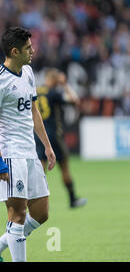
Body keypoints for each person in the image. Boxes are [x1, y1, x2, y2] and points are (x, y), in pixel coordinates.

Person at [0, 27, 56, 262]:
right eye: (28, 48)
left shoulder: (28, 72)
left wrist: (47, 146)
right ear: (14, 51)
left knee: (41, 213)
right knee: (18, 215)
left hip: (30, 153)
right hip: (11, 155)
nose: (33, 51)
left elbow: (33, 111)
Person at [35, 68, 87, 208]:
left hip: (37, 134)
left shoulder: (35, 91)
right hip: (53, 134)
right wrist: (65, 84)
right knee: (64, 167)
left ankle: (34, 203)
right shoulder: (54, 93)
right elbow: (75, 101)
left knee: (40, 169)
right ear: (54, 79)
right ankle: (72, 199)